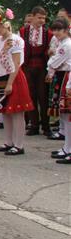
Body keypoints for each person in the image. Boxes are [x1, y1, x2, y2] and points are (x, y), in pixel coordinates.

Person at [0, 7, 33, 155]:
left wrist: (10, 82)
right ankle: (8, 142)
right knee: (5, 112)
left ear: (6, 25)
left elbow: (16, 64)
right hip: (1, 76)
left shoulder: (15, 40)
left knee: (17, 112)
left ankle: (19, 145)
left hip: (13, 76)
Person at [19, 7, 52, 137]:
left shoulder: (48, 33)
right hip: (28, 66)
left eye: (44, 18)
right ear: (32, 17)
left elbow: (50, 50)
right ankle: (34, 125)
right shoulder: (23, 31)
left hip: (42, 67)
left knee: (43, 97)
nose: (42, 21)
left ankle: (46, 125)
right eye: (39, 17)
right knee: (30, 95)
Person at [46, 17, 71, 164]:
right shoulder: (62, 43)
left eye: (59, 30)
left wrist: (51, 62)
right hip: (63, 76)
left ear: (66, 29)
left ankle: (69, 148)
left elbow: (54, 62)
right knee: (64, 114)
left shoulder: (66, 44)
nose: (56, 33)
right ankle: (67, 147)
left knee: (68, 115)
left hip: (66, 76)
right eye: (54, 30)